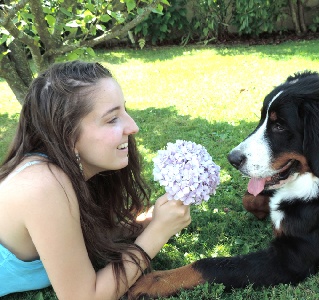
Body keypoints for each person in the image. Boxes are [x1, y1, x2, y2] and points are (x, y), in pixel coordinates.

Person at [0, 60, 191, 299]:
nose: (133, 126)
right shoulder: (43, 186)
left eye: (125, 111)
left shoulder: (59, 171)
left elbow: (79, 242)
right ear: (68, 135)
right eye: (112, 119)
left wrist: (150, 220)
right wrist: (158, 233)